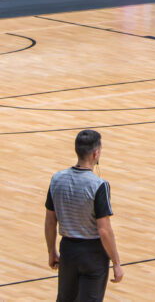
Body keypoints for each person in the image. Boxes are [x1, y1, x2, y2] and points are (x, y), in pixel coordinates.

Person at [45, 129, 124, 301]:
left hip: (68, 250)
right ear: (96, 153)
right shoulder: (99, 185)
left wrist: (51, 251)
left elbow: (50, 221)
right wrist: (116, 263)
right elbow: (104, 230)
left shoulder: (56, 179)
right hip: (92, 253)